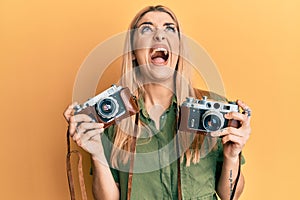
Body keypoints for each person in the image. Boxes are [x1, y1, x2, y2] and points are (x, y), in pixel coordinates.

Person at [64, 5, 251, 200]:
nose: (160, 36)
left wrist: (232, 156)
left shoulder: (214, 112)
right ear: (134, 52)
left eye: (170, 29)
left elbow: (230, 195)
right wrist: (97, 154)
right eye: (146, 28)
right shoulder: (112, 117)